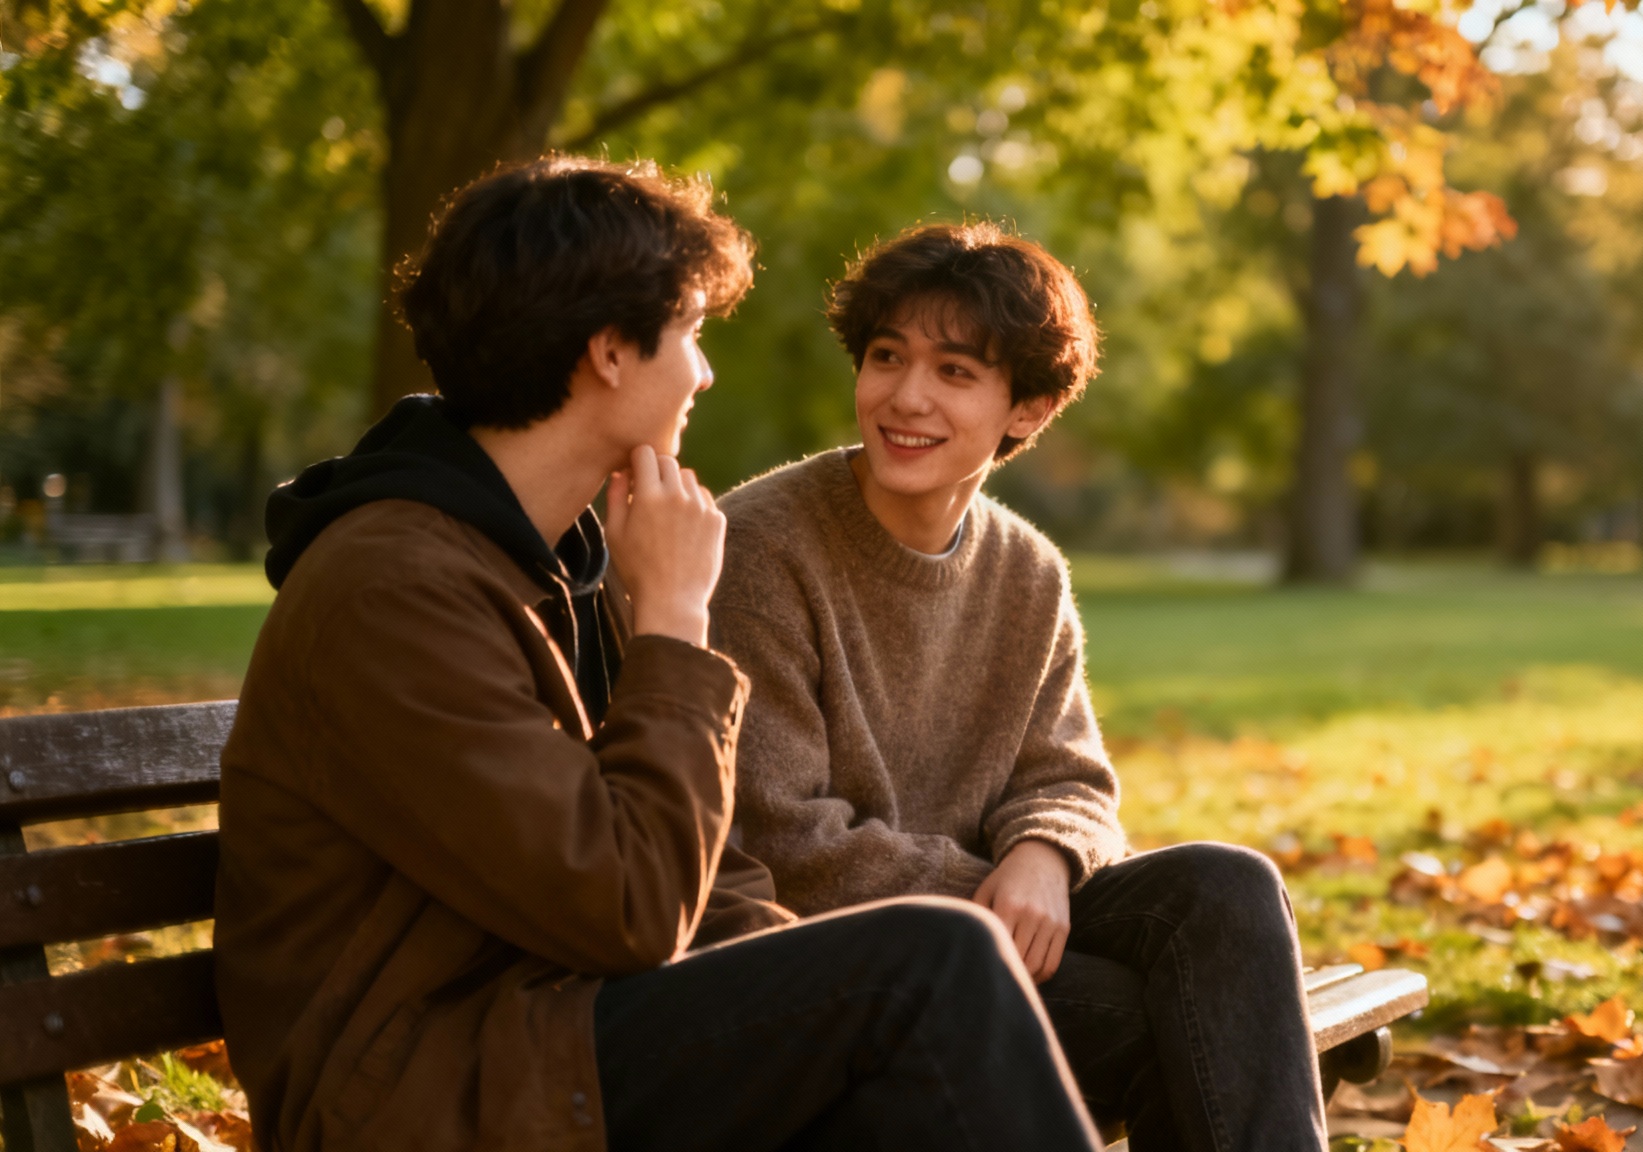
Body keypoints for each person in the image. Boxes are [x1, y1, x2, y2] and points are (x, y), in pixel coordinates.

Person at [213, 158, 1098, 1152]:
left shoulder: (547, 560)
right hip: (430, 1094)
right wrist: (675, 614)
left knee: (935, 995)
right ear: (609, 354)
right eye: (688, 333)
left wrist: (801, 983)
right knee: (936, 961)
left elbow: (693, 876)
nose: (704, 372)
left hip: (550, 1032)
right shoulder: (394, 591)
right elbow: (630, 909)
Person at [710, 221, 1326, 1151]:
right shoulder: (761, 546)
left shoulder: (1028, 570)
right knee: (1168, 1023)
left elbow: (1068, 776)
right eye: (887, 357)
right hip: (847, 955)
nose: (905, 397)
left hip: (996, 923)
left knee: (1226, 888)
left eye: (955, 372)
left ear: (1028, 408)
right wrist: (995, 894)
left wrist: (1045, 854)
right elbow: (781, 840)